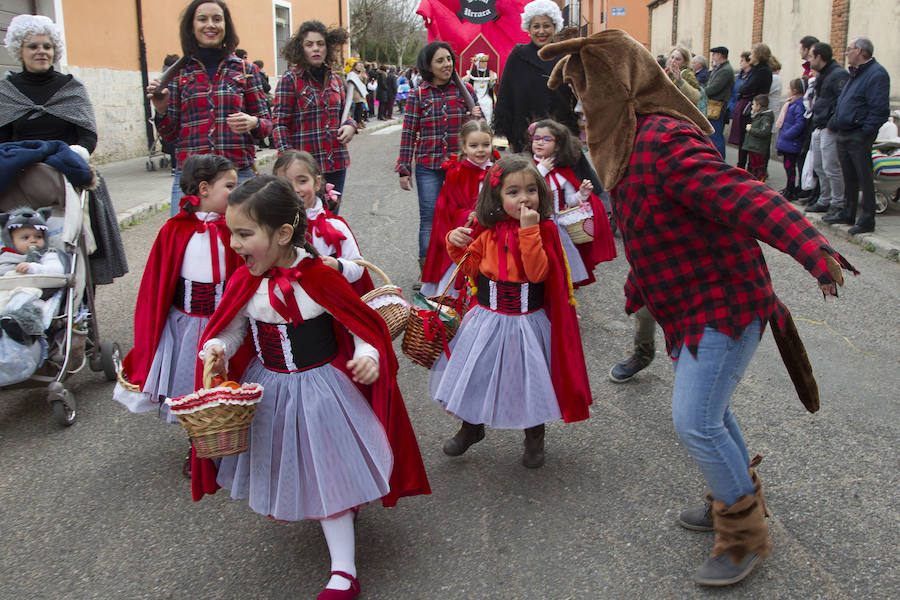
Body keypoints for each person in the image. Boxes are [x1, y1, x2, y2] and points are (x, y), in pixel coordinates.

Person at [541, 29, 856, 587]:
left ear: (617, 90)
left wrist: (812, 249)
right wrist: (640, 289)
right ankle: (731, 497)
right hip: (687, 307)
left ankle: (744, 533)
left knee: (695, 420)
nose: (581, 111)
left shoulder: (661, 139)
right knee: (711, 412)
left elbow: (743, 194)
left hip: (724, 303)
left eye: (587, 96)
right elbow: (649, 227)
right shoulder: (627, 146)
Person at [197, 176, 430, 599]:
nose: (233, 244)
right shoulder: (246, 280)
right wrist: (216, 346)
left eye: (244, 234)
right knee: (298, 462)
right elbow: (232, 330)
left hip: (322, 391)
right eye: (231, 232)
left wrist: (369, 356)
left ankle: (344, 571)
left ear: (283, 234)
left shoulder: (320, 278)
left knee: (330, 475)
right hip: (269, 388)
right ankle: (332, 521)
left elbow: (361, 326)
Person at [430, 154, 592, 468]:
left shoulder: (543, 231)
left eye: (531, 190)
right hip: (487, 319)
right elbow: (470, 269)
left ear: (541, 194)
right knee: (477, 374)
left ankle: (534, 437)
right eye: (513, 192)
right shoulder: (486, 232)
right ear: (497, 197)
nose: (523, 198)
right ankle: (471, 428)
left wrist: (529, 232)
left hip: (526, 323)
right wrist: (455, 241)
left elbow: (537, 273)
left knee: (529, 381)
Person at [114, 155, 238, 451]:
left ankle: (230, 436)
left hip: (224, 323)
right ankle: (197, 444)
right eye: (230, 185)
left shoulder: (233, 229)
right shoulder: (174, 230)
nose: (236, 192)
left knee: (223, 384)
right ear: (205, 189)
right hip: (187, 324)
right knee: (193, 389)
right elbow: (157, 284)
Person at [1, 14, 128, 285]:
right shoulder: (6, 92)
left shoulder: (71, 88)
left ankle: (82, 302)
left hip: (68, 172)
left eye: (47, 46)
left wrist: (75, 154)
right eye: (33, 46)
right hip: (20, 179)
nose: (41, 52)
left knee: (79, 246)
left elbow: (87, 136)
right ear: (19, 51)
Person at [148, 0, 271, 216]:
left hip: (238, 176)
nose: (210, 25)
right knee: (184, 245)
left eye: (217, 19)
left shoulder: (245, 70)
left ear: (226, 25)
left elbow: (267, 125)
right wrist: (161, 110)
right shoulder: (178, 73)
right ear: (192, 27)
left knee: (241, 245)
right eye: (202, 19)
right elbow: (170, 134)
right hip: (191, 180)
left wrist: (254, 122)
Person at [395, 41, 479, 280]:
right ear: (428, 66)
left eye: (449, 59)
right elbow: (409, 132)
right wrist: (403, 168)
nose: (447, 64)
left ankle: (463, 269)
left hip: (460, 166)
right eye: (440, 60)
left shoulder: (467, 92)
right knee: (429, 219)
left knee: (463, 215)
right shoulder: (419, 93)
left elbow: (479, 132)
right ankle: (429, 274)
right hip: (428, 166)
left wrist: (475, 116)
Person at [273, 20, 356, 209]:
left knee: (330, 219)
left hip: (335, 162)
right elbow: (279, 124)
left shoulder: (336, 80)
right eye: (309, 45)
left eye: (320, 44)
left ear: (327, 47)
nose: (316, 49)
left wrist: (350, 125)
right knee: (301, 219)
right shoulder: (290, 80)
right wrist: (288, 162)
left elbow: (345, 113)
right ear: (301, 49)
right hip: (303, 169)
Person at [272, 150, 374, 295]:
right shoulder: (271, 227)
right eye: (286, 183)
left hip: (330, 305)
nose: (295, 189)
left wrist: (338, 266)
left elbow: (358, 268)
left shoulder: (335, 226)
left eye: (302, 181)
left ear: (317, 183)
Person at [531, 118, 615, 287]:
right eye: (536, 138)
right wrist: (541, 170)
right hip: (532, 225)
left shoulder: (562, 172)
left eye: (547, 139)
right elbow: (525, 185)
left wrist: (582, 195)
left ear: (558, 145)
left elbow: (569, 200)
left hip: (555, 227)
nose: (540, 142)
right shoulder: (526, 166)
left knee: (561, 266)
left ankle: (563, 304)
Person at [420, 119, 496, 298]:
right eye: (474, 145)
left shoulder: (498, 171)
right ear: (464, 147)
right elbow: (446, 209)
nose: (480, 150)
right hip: (467, 234)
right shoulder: (457, 173)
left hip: (491, 235)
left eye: (486, 145)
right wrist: (468, 214)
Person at [493, 0, 578, 153]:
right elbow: (506, 95)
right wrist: (510, 136)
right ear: (529, 28)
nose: (541, 31)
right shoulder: (518, 56)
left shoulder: (565, 57)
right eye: (536, 26)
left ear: (555, 27)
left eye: (546, 26)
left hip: (561, 137)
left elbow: (577, 96)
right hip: (524, 137)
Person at [827, 36, 891, 234]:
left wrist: (864, 133)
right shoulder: (855, 73)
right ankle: (848, 212)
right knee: (849, 176)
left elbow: (879, 109)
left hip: (859, 134)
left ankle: (867, 218)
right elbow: (847, 101)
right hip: (845, 132)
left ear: (861, 51)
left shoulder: (876, 74)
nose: (846, 52)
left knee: (863, 177)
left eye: (850, 49)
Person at [0, 207, 65, 344]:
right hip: (6, 291)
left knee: (29, 303)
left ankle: (16, 323)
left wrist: (32, 267)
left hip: (37, 293)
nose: (33, 240)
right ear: (10, 240)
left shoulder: (47, 255)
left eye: (38, 236)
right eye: (25, 237)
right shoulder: (5, 256)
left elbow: (57, 271)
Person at [804, 43, 849, 217]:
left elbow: (841, 102)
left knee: (831, 167)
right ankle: (824, 199)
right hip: (819, 124)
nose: (809, 60)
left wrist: (832, 124)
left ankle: (837, 203)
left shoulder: (838, 75)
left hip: (829, 128)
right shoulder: (824, 74)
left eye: (811, 56)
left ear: (819, 57)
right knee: (819, 166)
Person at [727, 44, 772, 170]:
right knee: (743, 139)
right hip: (749, 106)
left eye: (752, 54)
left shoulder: (762, 71)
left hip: (754, 108)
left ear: (758, 55)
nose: (750, 56)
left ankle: (751, 168)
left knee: (750, 140)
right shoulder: (756, 70)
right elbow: (742, 88)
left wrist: (744, 91)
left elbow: (747, 88)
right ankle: (742, 165)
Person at [775, 78, 807, 200]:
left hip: (792, 143)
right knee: (788, 167)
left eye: (789, 88)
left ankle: (791, 189)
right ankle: (789, 187)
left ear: (795, 90)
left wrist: (787, 135)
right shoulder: (791, 103)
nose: (788, 91)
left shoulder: (798, 105)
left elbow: (799, 124)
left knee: (790, 168)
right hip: (787, 142)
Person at [705, 46, 735, 159]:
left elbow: (714, 88)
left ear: (720, 55)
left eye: (714, 54)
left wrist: (701, 92)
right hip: (714, 106)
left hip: (718, 106)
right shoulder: (720, 68)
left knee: (716, 135)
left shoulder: (726, 70)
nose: (713, 57)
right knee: (713, 135)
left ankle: (720, 160)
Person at [742, 94, 774, 181]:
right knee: (753, 166)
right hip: (754, 147)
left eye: (753, 104)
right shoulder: (759, 115)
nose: (752, 106)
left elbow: (764, 131)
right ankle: (753, 181)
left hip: (758, 148)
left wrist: (751, 129)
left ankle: (759, 182)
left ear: (759, 106)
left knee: (758, 167)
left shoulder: (765, 117)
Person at [464, 53, 497, 124]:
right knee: (477, 104)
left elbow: (491, 87)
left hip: (485, 95)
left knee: (489, 102)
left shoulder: (490, 73)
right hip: (476, 95)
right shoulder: (471, 73)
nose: (485, 63)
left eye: (486, 62)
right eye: (482, 62)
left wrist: (492, 80)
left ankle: (488, 124)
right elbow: (465, 84)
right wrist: (465, 79)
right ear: (478, 63)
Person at [347, 61, 368, 126]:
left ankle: (359, 121)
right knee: (357, 108)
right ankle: (357, 121)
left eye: (360, 66)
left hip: (361, 92)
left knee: (361, 108)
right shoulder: (352, 74)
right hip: (355, 92)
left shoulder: (361, 73)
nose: (359, 67)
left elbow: (364, 81)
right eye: (358, 65)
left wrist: (363, 73)